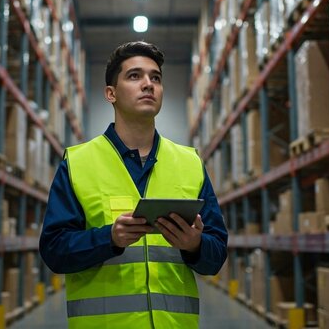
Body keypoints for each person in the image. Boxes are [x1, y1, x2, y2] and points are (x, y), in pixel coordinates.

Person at [39, 41, 228, 328]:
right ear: (110, 94)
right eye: (134, 76)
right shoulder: (78, 163)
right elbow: (54, 251)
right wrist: (109, 239)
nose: (148, 85)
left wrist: (195, 245)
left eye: (156, 78)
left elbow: (216, 257)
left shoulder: (190, 163)